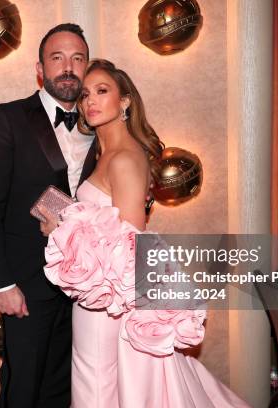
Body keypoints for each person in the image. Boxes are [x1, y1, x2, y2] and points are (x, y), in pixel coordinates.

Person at [40, 59, 250, 407]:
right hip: (100, 295)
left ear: (125, 101)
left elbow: (129, 245)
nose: (90, 101)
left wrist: (62, 229)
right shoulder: (107, 155)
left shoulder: (123, 159)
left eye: (102, 91)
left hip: (108, 301)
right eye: (85, 94)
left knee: (96, 387)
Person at [0, 24, 95, 408]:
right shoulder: (7, 118)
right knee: (23, 387)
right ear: (40, 69)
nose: (68, 67)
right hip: (25, 285)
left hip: (83, 288)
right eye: (57, 58)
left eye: (77, 58)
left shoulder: (101, 126)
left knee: (64, 387)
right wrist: (0, 285)